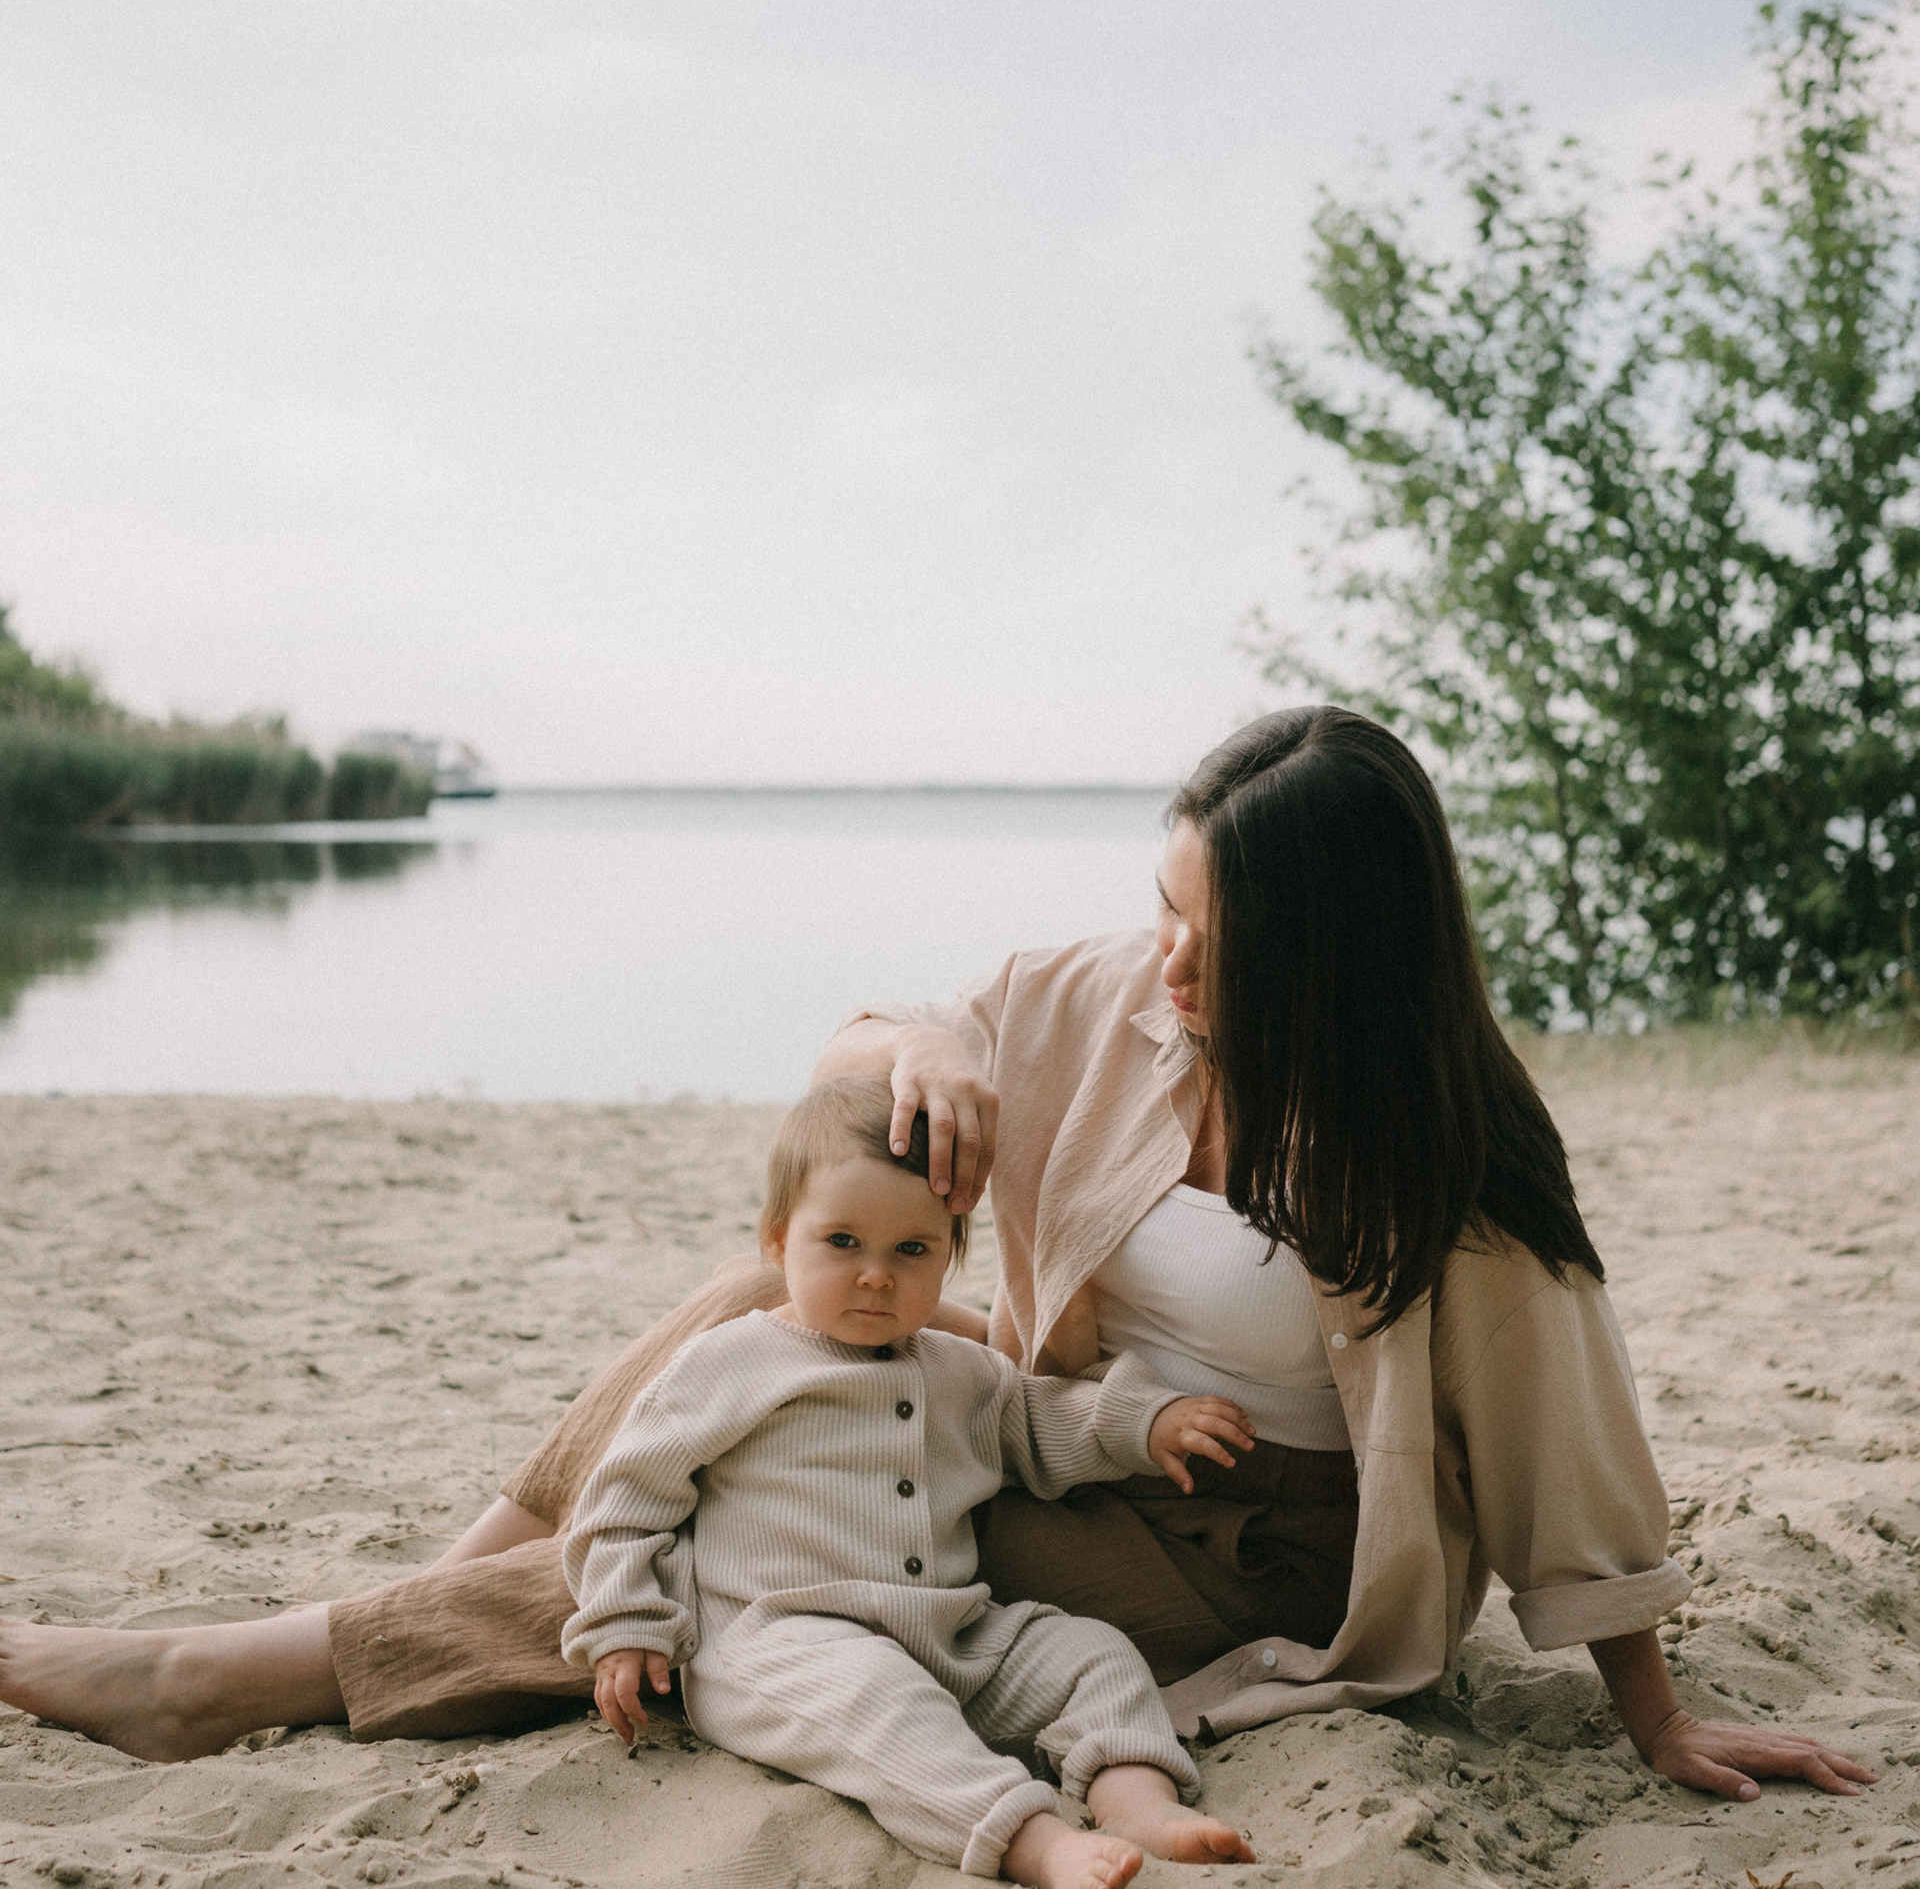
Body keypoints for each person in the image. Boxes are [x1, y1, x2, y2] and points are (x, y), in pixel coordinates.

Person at [0, 706, 1876, 1809]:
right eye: (1160, 908)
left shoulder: (1439, 1162)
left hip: (1249, 1529)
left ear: (1330, 961)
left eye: (1209, 937)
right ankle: (449, 1585)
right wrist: (930, 1047)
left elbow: (1569, 1446)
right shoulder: (1114, 1005)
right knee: (767, 1309)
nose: (1166, 961)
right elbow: (861, 1056)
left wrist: (1661, 1718)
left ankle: (225, 1674)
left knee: (787, 1526)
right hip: (1056, 1410)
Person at [565, 1076, 1256, 1887]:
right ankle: (1034, 1843)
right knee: (882, 1705)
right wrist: (624, 1620)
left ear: (952, 1256)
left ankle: (1133, 1795)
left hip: (952, 1638)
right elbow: (623, 1500)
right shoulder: (730, 1361)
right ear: (778, 1240)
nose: (876, 1277)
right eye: (843, 1243)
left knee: (1091, 1653)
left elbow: (1042, 1424)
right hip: (782, 1646)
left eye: (912, 1251)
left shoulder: (962, 1371)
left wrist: (1143, 1424)